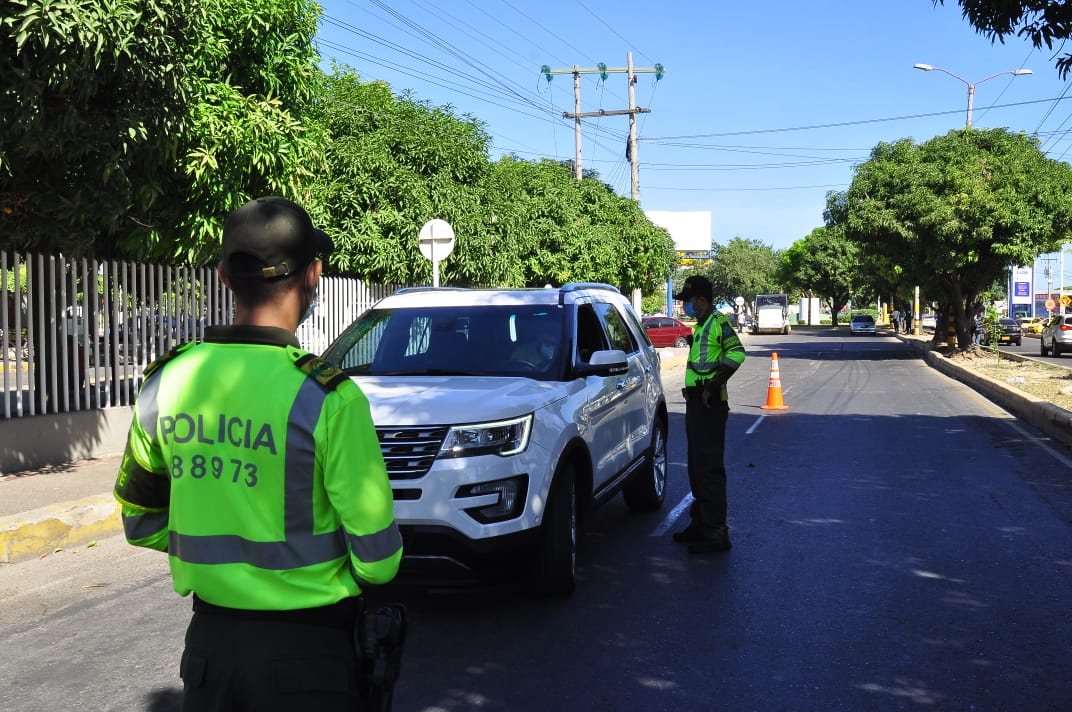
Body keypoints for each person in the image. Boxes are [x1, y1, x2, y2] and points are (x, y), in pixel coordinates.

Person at [114, 196, 403, 711]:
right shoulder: (328, 397)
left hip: (209, 658)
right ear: (314, 275)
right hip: (309, 658)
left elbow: (141, 522)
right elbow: (379, 561)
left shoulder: (166, 382)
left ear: (225, 276)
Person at [670, 275, 746, 554]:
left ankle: (716, 532)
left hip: (710, 406)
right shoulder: (702, 325)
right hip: (696, 405)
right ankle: (700, 523)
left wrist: (711, 388)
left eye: (688, 301)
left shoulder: (718, 322)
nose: (685, 307)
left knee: (709, 468)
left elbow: (737, 354)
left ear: (701, 300)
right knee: (696, 467)